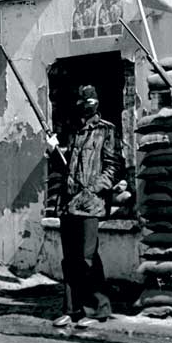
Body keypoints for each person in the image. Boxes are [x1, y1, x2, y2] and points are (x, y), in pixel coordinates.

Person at [46, 84, 121, 328]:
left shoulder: (106, 131)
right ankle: (72, 309)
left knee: (87, 257)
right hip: (68, 203)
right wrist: (53, 150)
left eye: (92, 101)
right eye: (84, 102)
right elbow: (62, 167)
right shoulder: (72, 131)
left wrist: (95, 188)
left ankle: (97, 309)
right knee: (70, 259)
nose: (89, 106)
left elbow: (113, 166)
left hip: (90, 204)